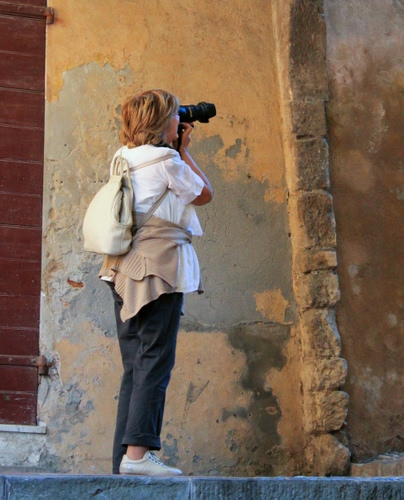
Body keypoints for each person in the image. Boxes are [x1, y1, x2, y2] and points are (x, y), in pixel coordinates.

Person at [99, 89, 213, 476]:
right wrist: (183, 151)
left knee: (135, 366)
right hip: (158, 269)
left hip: (121, 267)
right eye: (174, 115)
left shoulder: (122, 157)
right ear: (163, 123)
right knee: (155, 361)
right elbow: (204, 194)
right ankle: (137, 457)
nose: (179, 120)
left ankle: (124, 461)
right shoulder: (167, 160)